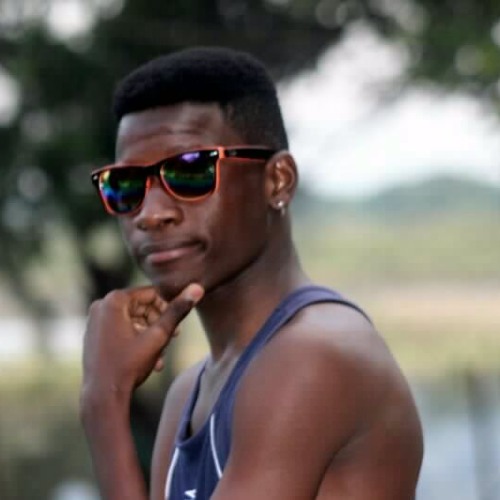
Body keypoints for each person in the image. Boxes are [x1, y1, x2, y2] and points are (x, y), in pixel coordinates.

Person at [81, 46, 423, 500]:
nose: (150, 213)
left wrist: (103, 401)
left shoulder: (313, 357)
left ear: (277, 181)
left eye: (190, 172)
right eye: (126, 185)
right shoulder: (188, 393)